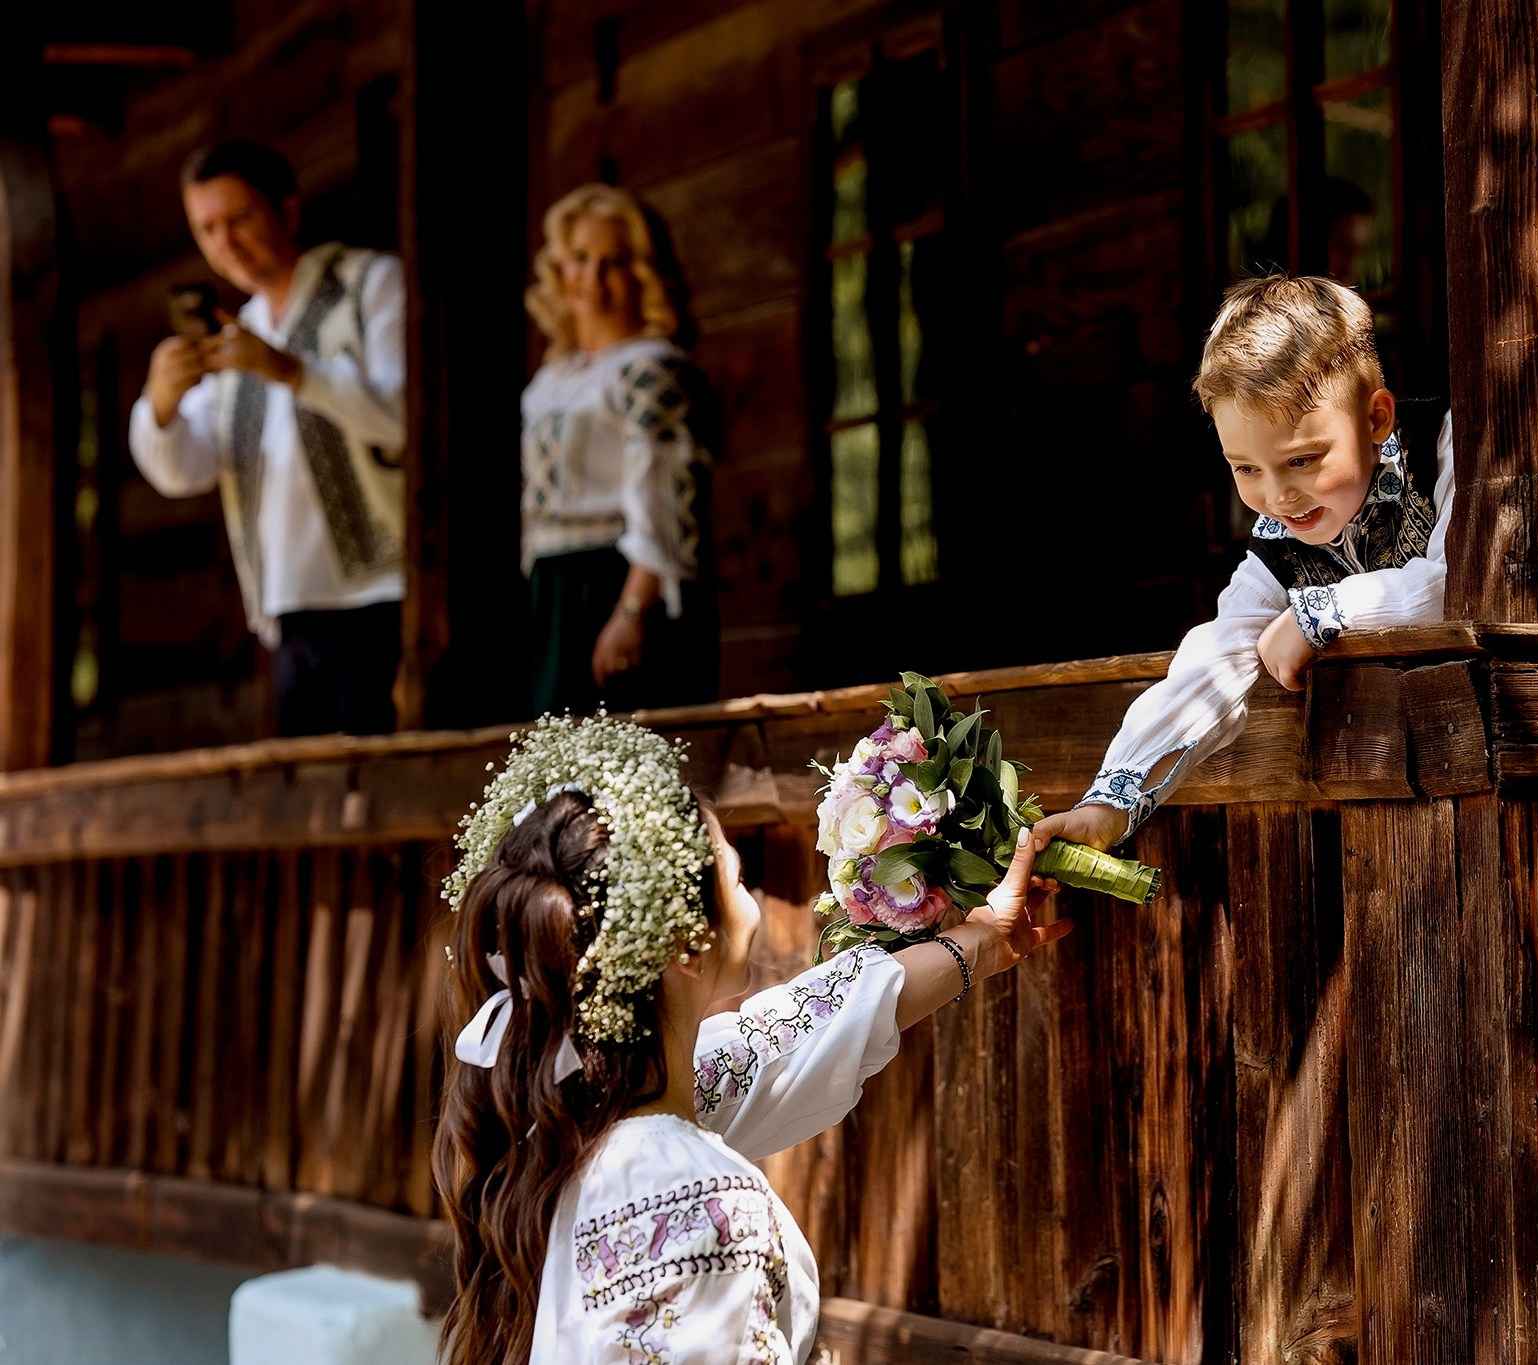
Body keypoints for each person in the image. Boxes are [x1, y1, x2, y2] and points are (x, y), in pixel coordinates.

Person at [432, 714, 1070, 1363]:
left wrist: (981, 940)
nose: (749, 895)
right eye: (735, 877)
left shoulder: (577, 1111)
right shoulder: (699, 1203)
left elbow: (784, 1036)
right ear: (684, 941)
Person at [1037, 273, 1454, 851]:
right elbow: (1215, 656)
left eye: (1302, 460)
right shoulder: (1278, 544)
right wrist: (1111, 803)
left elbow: (1455, 582)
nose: (1279, 496)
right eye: (1247, 469)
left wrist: (1319, 614)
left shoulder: (1448, 446)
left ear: (1377, 418)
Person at [130, 141, 406, 736]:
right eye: (206, 229)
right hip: (287, 608)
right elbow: (185, 469)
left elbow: (407, 416)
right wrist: (161, 403)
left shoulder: (369, 286)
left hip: (385, 598)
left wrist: (295, 373)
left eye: (239, 219)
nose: (224, 243)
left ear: (287, 209)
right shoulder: (240, 332)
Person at [522, 185, 720, 717]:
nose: (592, 278)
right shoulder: (554, 377)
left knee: (619, 760)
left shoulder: (651, 367)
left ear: (641, 272)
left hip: (614, 581)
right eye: (580, 259)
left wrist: (632, 610)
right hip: (556, 588)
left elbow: (659, 494)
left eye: (613, 262)